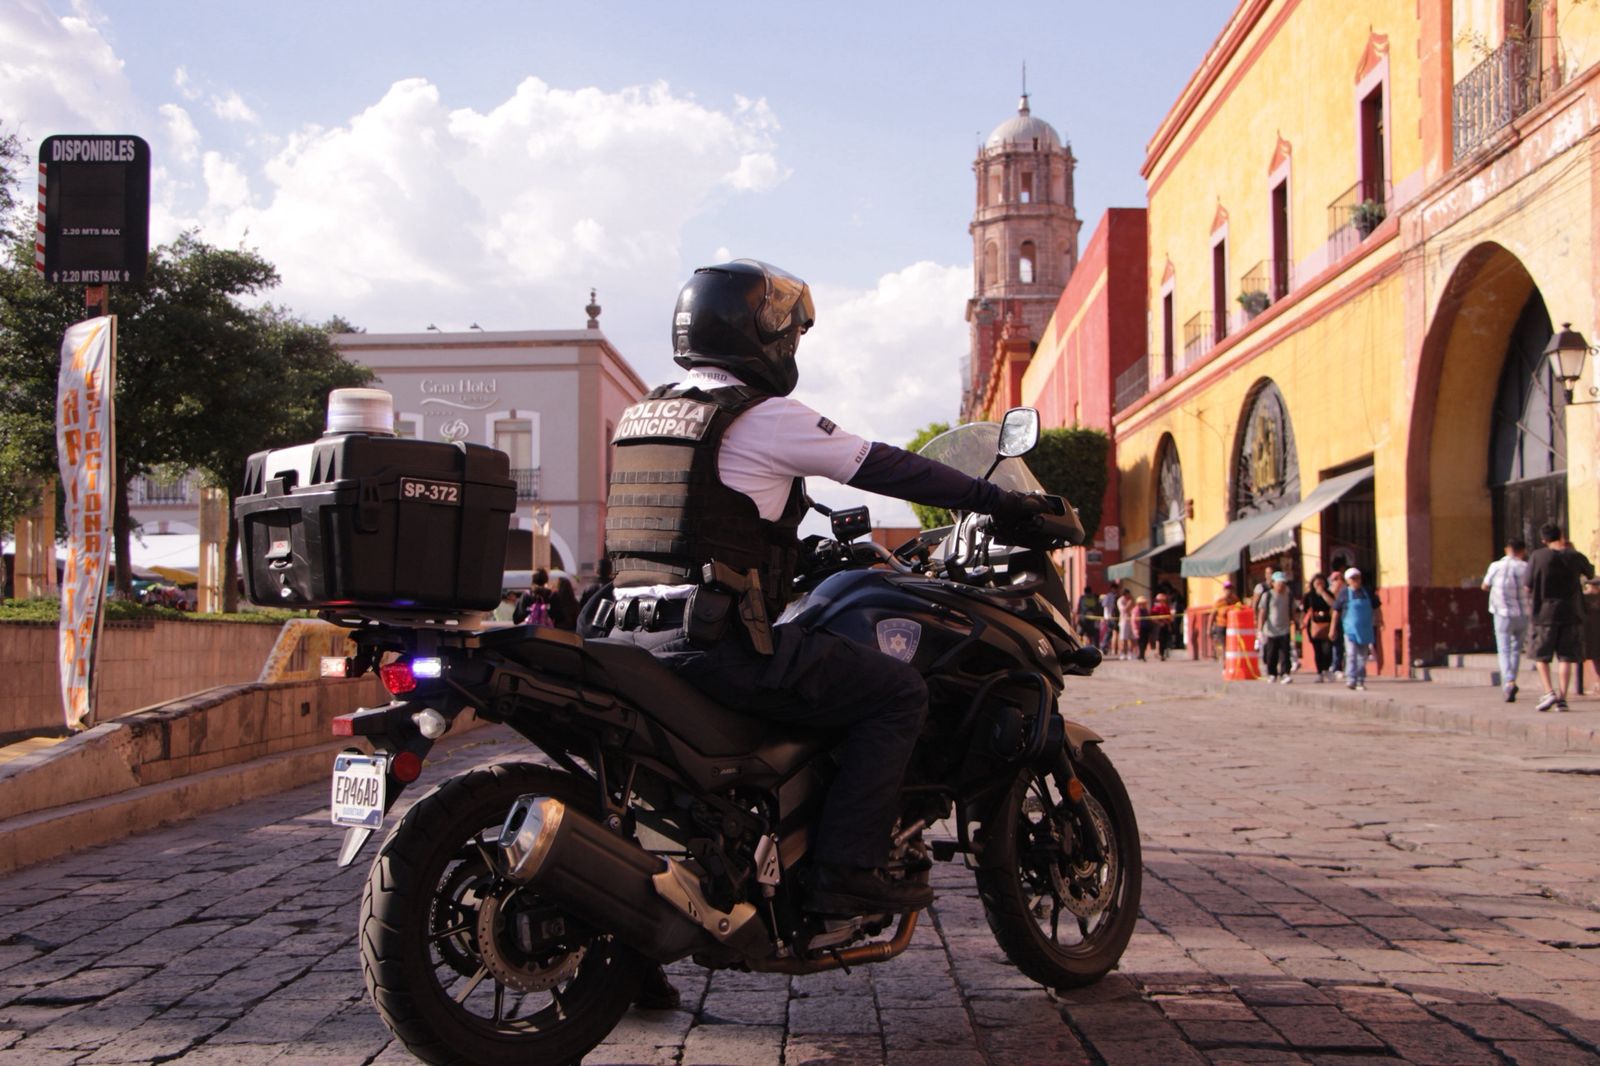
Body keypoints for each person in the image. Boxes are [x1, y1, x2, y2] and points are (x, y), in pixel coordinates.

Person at [601, 258, 1058, 918]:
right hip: (707, 644)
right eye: (786, 334)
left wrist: (797, 551)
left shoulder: (645, 414)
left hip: (619, 631)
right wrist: (998, 500)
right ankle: (846, 870)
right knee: (897, 692)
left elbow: (692, 527)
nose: (790, 349)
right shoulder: (758, 416)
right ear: (754, 336)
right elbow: (880, 464)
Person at [1523, 522, 1594, 712]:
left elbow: (1527, 584)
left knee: (1541, 656)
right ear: (1561, 536)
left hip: (1544, 614)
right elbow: (1590, 573)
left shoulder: (1537, 556)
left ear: (1543, 539)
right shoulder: (1574, 556)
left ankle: (1549, 691)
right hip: (1571, 612)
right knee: (1566, 657)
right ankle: (1562, 698)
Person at [1482, 537, 1531, 702]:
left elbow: (1485, 585)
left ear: (1506, 549)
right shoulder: (1526, 567)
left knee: (1503, 650)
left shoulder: (1496, 566)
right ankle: (1512, 679)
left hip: (1502, 613)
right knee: (1516, 649)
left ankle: (1508, 682)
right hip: (1522, 613)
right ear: (1523, 551)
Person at [1332, 566, 1378, 690]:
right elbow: (1336, 611)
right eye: (1353, 578)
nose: (1356, 580)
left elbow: (1376, 606)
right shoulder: (1344, 593)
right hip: (1350, 629)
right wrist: (1332, 629)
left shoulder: (1367, 592)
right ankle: (1351, 679)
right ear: (1348, 580)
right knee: (1351, 654)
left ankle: (1360, 680)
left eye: (1357, 578)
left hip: (1365, 629)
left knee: (1362, 656)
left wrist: (1379, 620)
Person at [1254, 571, 1300, 683]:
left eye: (1283, 583)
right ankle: (1272, 673)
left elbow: (1293, 611)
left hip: (1285, 629)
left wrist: (1298, 623)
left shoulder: (1288, 595)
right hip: (1270, 630)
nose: (1281, 586)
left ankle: (1285, 673)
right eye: (1279, 583)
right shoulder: (1267, 595)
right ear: (1273, 583)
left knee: (1285, 653)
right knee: (1271, 654)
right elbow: (1262, 613)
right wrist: (1259, 630)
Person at [1302, 573, 1335, 682]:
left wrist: (1323, 593)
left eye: (1321, 582)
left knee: (1327, 649)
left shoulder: (1329, 593)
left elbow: (1333, 605)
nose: (1319, 584)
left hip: (1327, 623)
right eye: (1317, 582)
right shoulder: (1309, 596)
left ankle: (1327, 669)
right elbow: (1305, 610)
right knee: (1318, 650)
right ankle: (1320, 672)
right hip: (1314, 624)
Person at [1325, 569, 1348, 676]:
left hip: (1347, 620)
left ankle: (1345, 666)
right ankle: (1336, 666)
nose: (1338, 581)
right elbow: (1334, 606)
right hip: (1332, 620)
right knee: (1336, 644)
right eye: (1335, 579)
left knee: (1346, 645)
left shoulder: (1348, 591)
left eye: (1340, 579)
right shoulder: (1329, 592)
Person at [1210, 580, 1239, 660]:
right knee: (1225, 645)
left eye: (1230, 589)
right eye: (1227, 589)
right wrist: (1209, 629)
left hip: (1233, 626)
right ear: (1224, 590)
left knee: (1233, 645)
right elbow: (1212, 615)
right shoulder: (1219, 602)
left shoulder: (1235, 600)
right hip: (1221, 626)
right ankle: (1225, 662)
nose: (1228, 591)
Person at [1100, 583, 1119, 653]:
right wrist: (1106, 616)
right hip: (1109, 617)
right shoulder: (1108, 596)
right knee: (1109, 633)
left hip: (1114, 617)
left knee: (1111, 633)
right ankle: (1103, 646)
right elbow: (1104, 606)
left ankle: (1106, 647)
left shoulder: (1116, 596)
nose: (1115, 590)